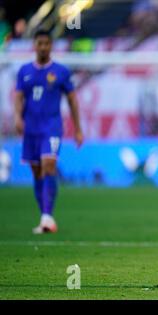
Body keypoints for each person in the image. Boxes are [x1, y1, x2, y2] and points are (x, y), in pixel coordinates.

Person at [14, 30, 83, 234]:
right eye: (40, 43)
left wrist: (78, 129)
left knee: (49, 165)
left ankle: (47, 217)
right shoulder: (24, 71)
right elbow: (18, 96)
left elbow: (72, 100)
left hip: (52, 127)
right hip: (31, 128)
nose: (43, 47)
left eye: (46, 43)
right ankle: (44, 214)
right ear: (34, 45)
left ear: (51, 45)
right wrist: (18, 117)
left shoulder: (61, 71)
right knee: (37, 172)